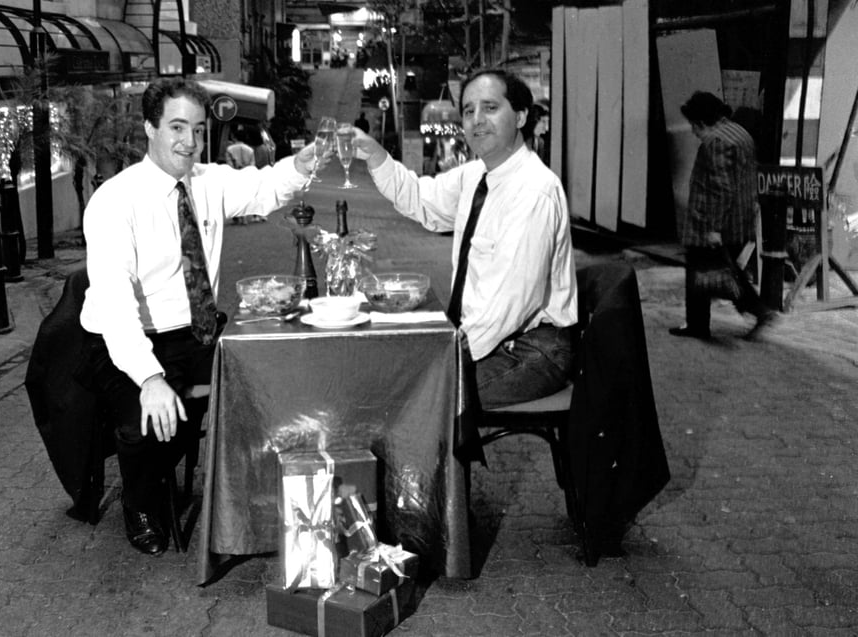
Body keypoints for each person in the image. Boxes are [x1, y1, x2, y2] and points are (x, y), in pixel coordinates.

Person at [76, 77, 319, 556]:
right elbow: (114, 303)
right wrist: (148, 378)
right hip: (124, 341)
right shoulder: (114, 200)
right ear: (149, 128)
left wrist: (302, 165)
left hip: (197, 332)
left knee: (266, 389)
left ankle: (253, 500)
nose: (189, 142)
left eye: (199, 130)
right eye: (177, 127)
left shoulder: (208, 182)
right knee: (142, 425)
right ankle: (140, 504)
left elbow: (266, 187)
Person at [347, 68, 578, 408]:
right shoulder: (477, 174)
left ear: (521, 116)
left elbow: (510, 301)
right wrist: (376, 155)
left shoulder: (533, 191)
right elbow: (422, 199)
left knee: (416, 398)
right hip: (492, 335)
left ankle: (428, 460)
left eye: (490, 107)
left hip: (533, 350)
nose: (476, 120)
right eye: (469, 111)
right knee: (394, 372)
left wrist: (449, 351)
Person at [669, 91, 776, 341]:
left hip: (715, 220)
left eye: (694, 127)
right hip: (740, 217)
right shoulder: (739, 132)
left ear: (702, 122)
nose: (694, 133)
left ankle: (751, 312)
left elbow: (720, 187)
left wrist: (714, 227)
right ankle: (756, 311)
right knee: (719, 269)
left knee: (704, 270)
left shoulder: (715, 142)